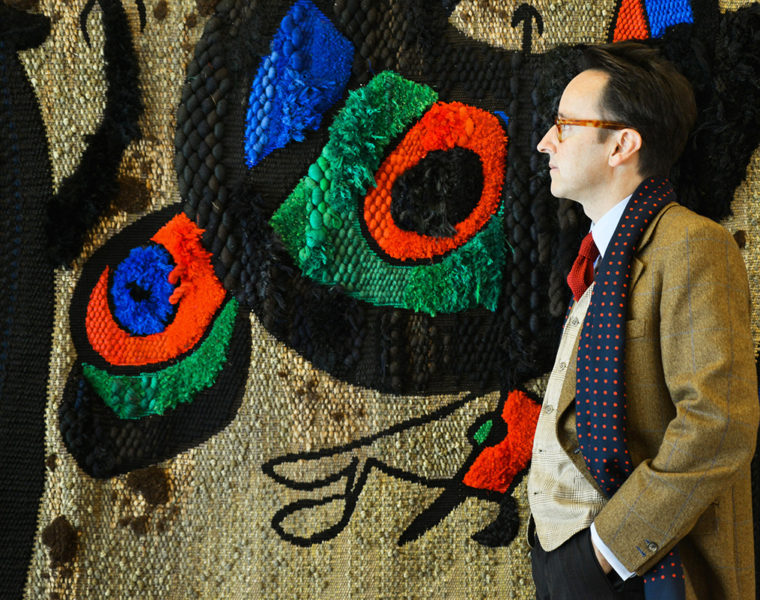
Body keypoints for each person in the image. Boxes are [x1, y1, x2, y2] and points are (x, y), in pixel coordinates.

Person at [527, 41, 758, 600]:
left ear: (622, 144)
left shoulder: (693, 245)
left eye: (565, 125)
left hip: (646, 569)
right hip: (569, 561)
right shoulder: (602, 259)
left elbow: (718, 425)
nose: (544, 142)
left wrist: (603, 553)